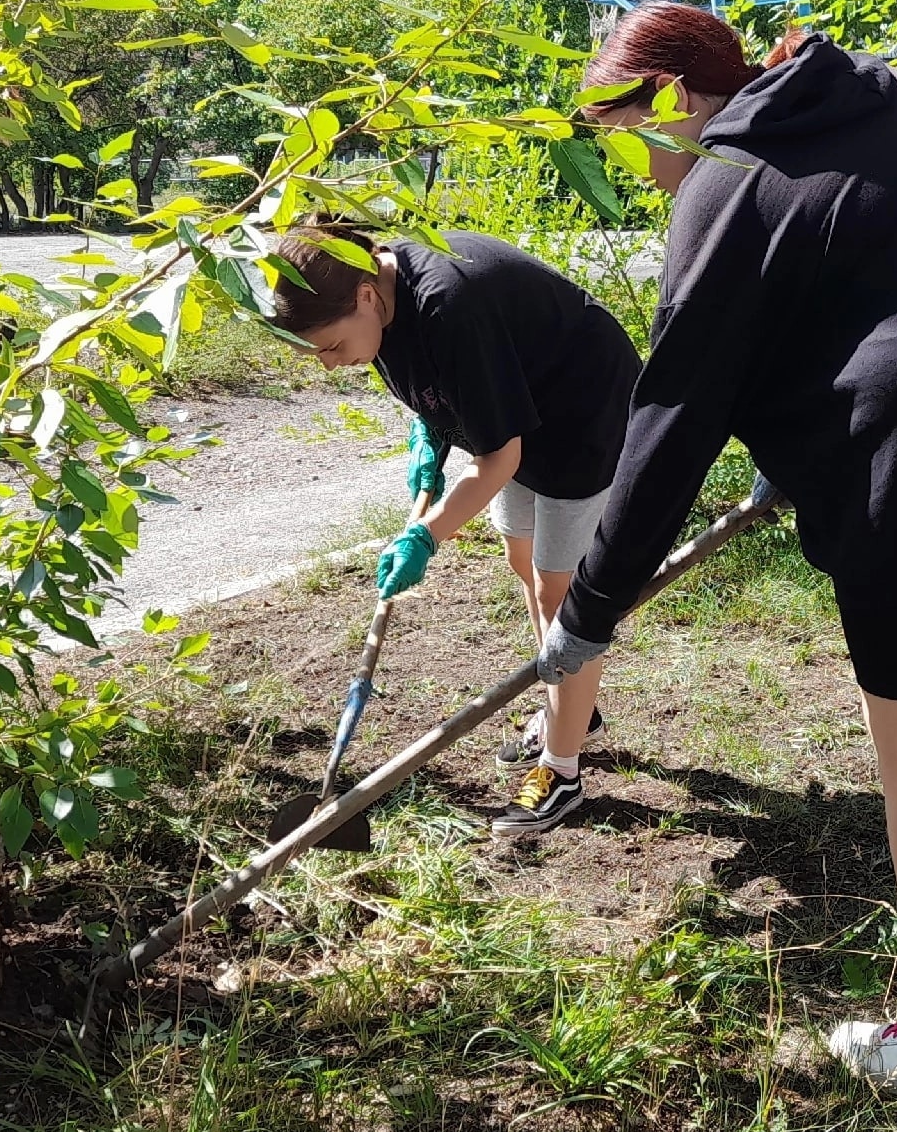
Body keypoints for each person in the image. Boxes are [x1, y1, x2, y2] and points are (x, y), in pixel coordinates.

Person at [543, 1, 897, 1117]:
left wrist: (592, 607)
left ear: (671, 101)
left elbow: (675, 411)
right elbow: (884, 286)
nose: (620, 164)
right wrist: (803, 449)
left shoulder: (725, 182)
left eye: (614, 130)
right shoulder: (893, 97)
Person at [265, 224, 641, 838]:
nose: (332, 365)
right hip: (515, 415)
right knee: (522, 557)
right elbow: (447, 380)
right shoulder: (379, 296)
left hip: (581, 416)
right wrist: (432, 427)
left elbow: (500, 460)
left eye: (332, 348)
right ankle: (573, 707)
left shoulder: (449, 303)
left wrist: (427, 535)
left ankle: (562, 770)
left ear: (364, 296)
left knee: (561, 590)